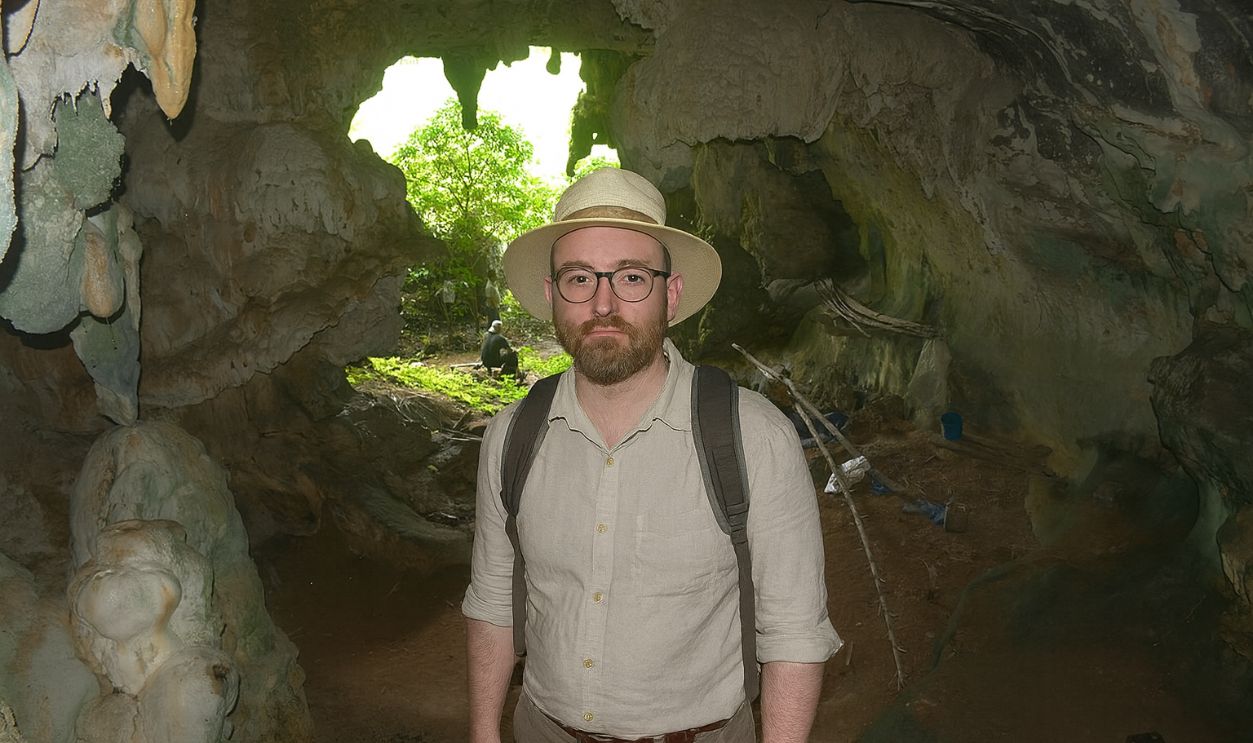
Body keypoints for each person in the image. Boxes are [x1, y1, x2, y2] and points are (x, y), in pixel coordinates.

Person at [462, 168, 841, 743]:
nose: (604, 303)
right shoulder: (512, 435)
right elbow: (493, 600)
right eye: (579, 278)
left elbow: (794, 632)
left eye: (632, 277)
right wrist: (483, 732)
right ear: (552, 295)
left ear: (672, 293)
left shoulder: (754, 436)